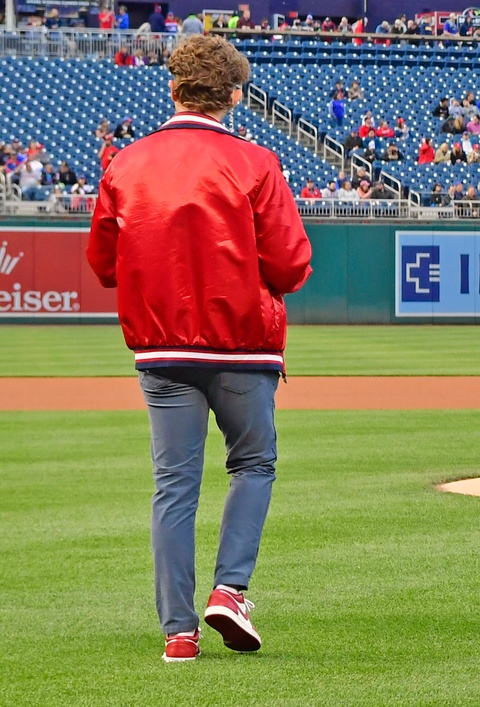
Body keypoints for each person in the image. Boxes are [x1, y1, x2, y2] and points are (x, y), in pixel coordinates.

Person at [86, 35, 312, 663]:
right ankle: (230, 589)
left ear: (173, 88)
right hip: (242, 344)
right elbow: (291, 266)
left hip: (161, 349)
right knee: (253, 465)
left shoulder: (125, 162)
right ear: (235, 96)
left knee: (174, 485)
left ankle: (178, 633)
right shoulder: (256, 162)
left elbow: (103, 264)